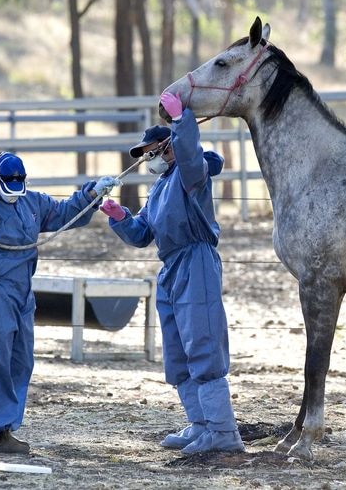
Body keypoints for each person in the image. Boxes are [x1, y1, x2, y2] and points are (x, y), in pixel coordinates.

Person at [0, 151, 116, 455]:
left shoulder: (30, 202)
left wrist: (91, 194)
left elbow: (63, 212)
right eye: (9, 182)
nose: (14, 188)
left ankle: (5, 426)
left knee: (20, 360)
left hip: (22, 291)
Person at [99, 92, 244, 454]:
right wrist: (118, 216)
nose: (145, 158)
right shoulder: (159, 188)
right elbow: (142, 234)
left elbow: (193, 155)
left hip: (196, 263)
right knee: (178, 353)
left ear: (167, 146)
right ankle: (200, 424)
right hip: (171, 268)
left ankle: (223, 433)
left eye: (149, 151)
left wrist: (181, 123)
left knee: (203, 344)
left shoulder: (191, 175)